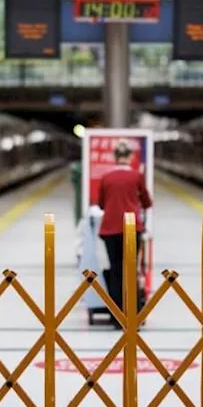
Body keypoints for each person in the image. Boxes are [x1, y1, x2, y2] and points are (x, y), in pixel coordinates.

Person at [91, 140, 152, 326]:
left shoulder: (107, 177)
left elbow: (101, 203)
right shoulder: (136, 176)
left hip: (110, 230)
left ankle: (116, 316)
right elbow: (147, 202)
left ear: (115, 157)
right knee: (131, 270)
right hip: (132, 228)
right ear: (130, 157)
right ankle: (132, 315)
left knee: (116, 271)